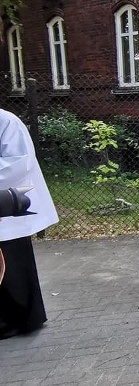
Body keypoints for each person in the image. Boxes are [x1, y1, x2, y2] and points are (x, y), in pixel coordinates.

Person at [0, 109, 58, 339]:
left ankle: (21, 320)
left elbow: (19, 163)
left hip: (9, 206)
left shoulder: (7, 122)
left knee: (13, 266)